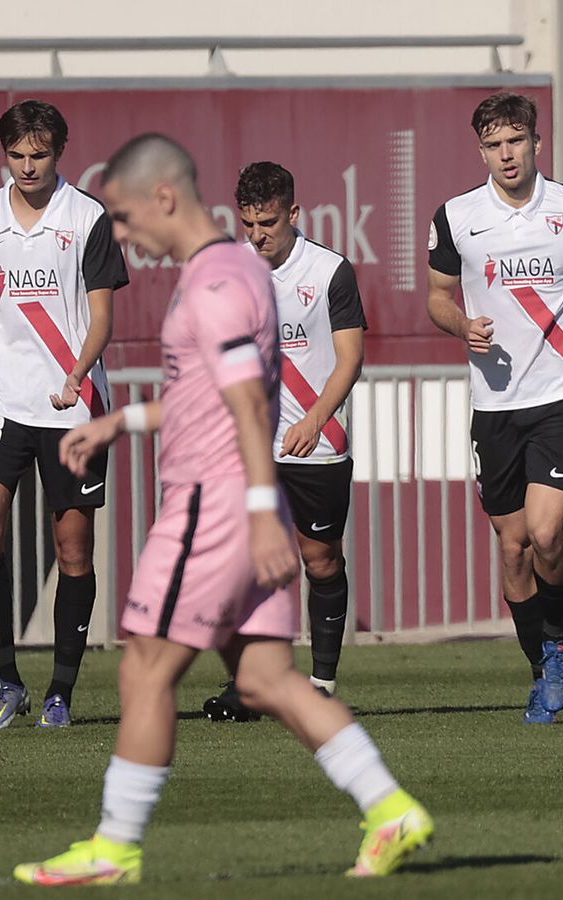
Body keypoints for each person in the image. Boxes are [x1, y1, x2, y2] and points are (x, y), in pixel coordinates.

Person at [13, 134, 431, 886]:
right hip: (238, 502)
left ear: (164, 197)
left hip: (214, 508)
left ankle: (113, 847)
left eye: (126, 216)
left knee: (143, 668)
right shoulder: (240, 269)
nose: (123, 235)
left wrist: (263, 509)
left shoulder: (213, 284)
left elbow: (243, 400)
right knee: (270, 680)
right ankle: (390, 807)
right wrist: (122, 422)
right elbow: (210, 392)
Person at [425, 91, 563, 723]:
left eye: (516, 140)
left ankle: (558, 639)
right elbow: (437, 295)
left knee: (546, 534)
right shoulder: (457, 217)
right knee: (513, 548)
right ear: (481, 150)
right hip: (496, 405)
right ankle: (544, 655)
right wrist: (462, 326)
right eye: (494, 145)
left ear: (536, 142)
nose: (506, 154)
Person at [0, 99, 128, 729]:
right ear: (2, 154)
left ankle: (61, 691)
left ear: (58, 151)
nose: (27, 166)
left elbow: (102, 316)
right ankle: (7, 682)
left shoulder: (88, 218)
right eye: (16, 155)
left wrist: (76, 372)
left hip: (71, 407)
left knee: (73, 552)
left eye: (39, 155)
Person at [203, 161, 367, 722]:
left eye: (268, 222)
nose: (257, 235)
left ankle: (320, 685)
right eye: (248, 223)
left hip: (318, 443)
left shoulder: (330, 273)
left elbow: (350, 359)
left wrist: (315, 418)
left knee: (320, 562)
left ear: (294, 214)